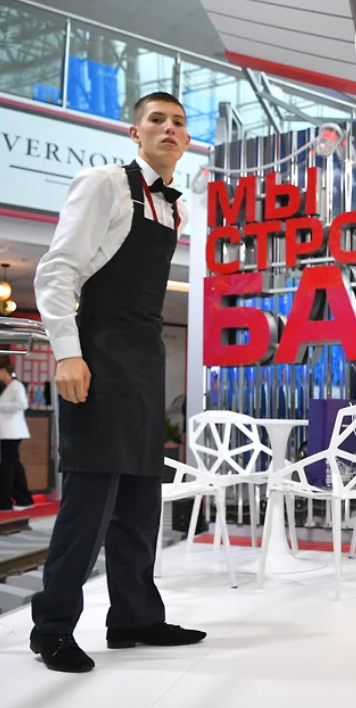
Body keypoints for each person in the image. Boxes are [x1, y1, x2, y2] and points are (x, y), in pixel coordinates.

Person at [29, 92, 206, 674]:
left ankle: (134, 616)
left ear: (186, 140)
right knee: (89, 501)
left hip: (145, 360)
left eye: (178, 122)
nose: (169, 128)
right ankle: (52, 627)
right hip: (99, 354)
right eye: (157, 120)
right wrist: (68, 353)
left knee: (139, 500)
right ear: (135, 132)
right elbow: (58, 271)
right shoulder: (104, 183)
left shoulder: (175, 210)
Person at [0, 357, 35, 512]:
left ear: (3, 370)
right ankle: (23, 498)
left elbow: (22, 404)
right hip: (7, 432)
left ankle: (6, 501)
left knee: (8, 467)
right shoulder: (9, 387)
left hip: (12, 432)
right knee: (13, 466)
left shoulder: (16, 386)